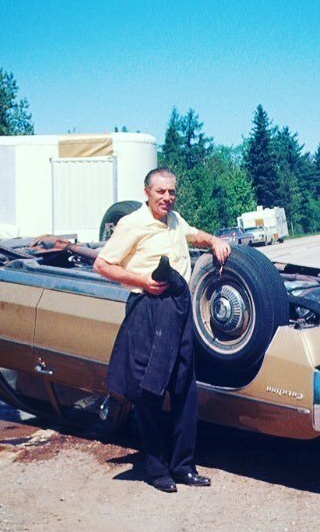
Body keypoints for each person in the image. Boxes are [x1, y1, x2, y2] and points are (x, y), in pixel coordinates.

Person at [93, 167, 231, 492]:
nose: (167, 198)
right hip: (149, 310)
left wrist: (214, 241)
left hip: (179, 309)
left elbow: (193, 234)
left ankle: (183, 467)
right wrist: (141, 280)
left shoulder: (174, 219)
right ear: (147, 192)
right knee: (150, 391)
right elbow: (102, 264)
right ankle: (156, 471)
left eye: (171, 192)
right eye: (161, 192)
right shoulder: (132, 224)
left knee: (184, 391)